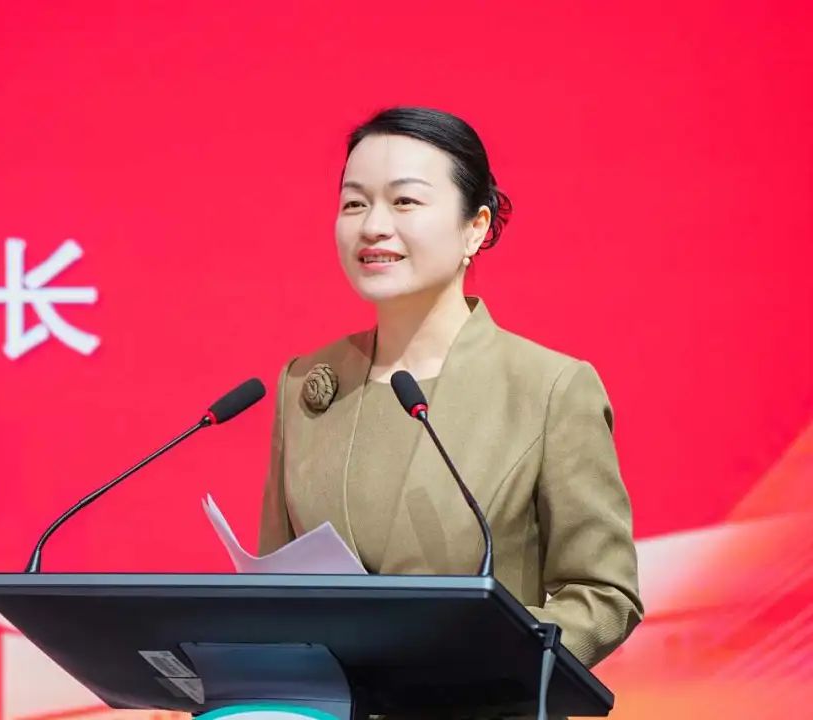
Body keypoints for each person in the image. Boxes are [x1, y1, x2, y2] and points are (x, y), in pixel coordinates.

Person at [258, 107, 643, 672]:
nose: (373, 225)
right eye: (354, 203)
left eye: (405, 201)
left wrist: (476, 663)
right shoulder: (303, 383)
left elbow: (604, 595)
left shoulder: (549, 389)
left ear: (475, 227)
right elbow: (273, 588)